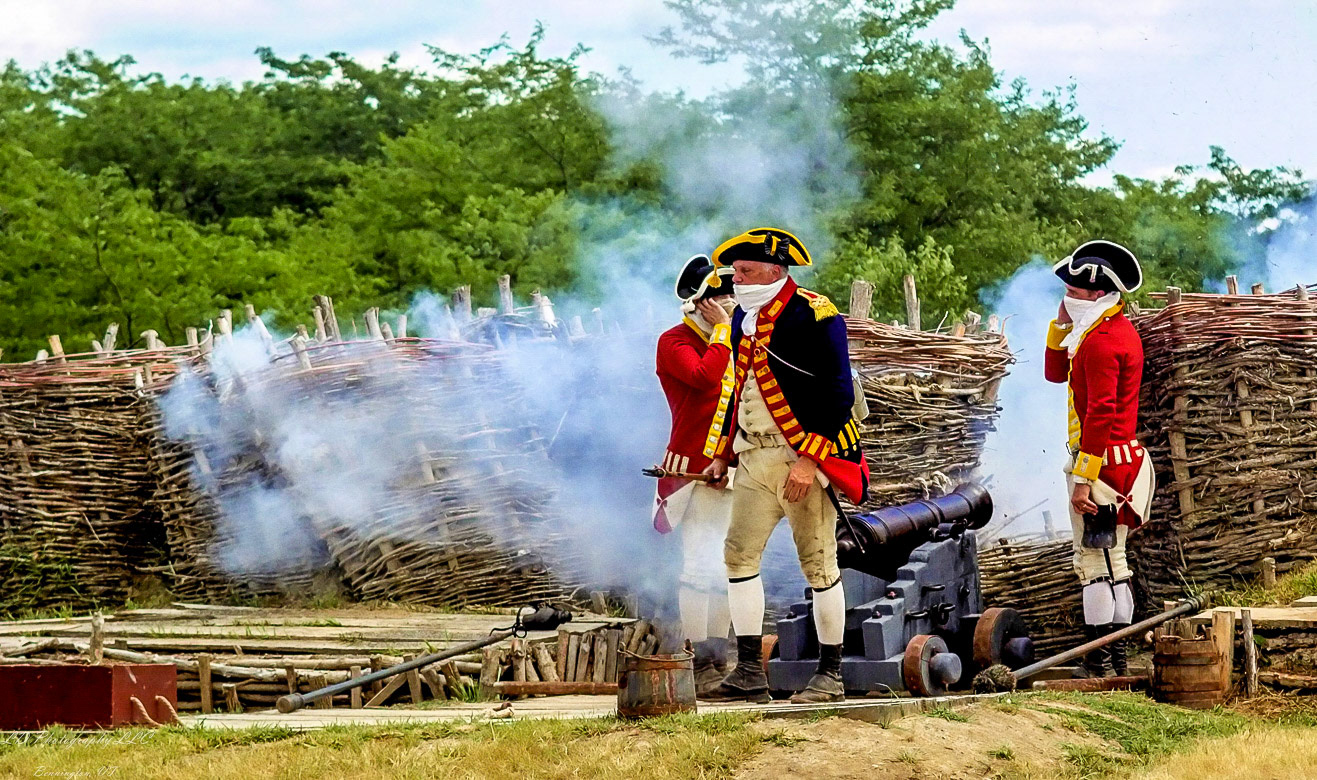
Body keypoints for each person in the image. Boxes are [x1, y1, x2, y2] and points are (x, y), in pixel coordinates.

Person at [699, 227, 869, 704]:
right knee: (738, 556)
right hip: (754, 457)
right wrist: (721, 453)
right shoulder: (740, 321)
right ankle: (750, 671)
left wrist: (810, 460)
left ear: (775, 270)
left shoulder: (816, 314)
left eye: (746, 271)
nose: (737, 278)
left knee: (818, 564)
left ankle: (830, 676)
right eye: (735, 271)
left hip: (804, 459)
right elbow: (735, 390)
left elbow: (839, 394)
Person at [1044, 239, 1155, 678]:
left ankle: (1104, 663)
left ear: (1096, 293)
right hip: (1114, 461)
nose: (1067, 296)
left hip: (1104, 466)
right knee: (1113, 564)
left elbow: (1101, 414)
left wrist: (1083, 480)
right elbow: (1056, 374)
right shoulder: (1097, 331)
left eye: (1074, 291)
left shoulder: (1104, 342)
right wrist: (1059, 324)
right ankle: (1111, 660)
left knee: (1098, 566)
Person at [654, 254, 738, 694]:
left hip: (734, 467)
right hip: (692, 468)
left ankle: (717, 658)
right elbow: (705, 379)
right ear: (703, 303)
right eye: (722, 297)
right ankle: (696, 661)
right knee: (699, 564)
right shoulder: (674, 341)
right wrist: (724, 330)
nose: (730, 303)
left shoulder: (733, 340)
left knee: (729, 566)